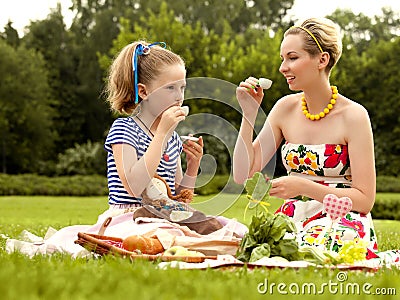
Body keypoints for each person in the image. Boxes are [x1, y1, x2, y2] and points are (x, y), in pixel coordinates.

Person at [233, 18, 381, 256]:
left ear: (322, 60)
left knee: (316, 251)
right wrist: (249, 114)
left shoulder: (354, 116)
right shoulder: (284, 109)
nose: (283, 67)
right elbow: (243, 175)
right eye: (283, 59)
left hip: (342, 218)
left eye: (292, 58)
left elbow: (364, 200)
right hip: (293, 218)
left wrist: (303, 186)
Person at [102, 41, 204, 217]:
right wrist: (162, 134)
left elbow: (178, 198)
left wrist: (193, 166)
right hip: (130, 218)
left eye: (182, 88)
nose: (179, 97)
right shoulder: (124, 130)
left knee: (220, 227)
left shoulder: (173, 139)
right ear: (143, 92)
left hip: (164, 215)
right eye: (170, 88)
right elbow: (135, 187)